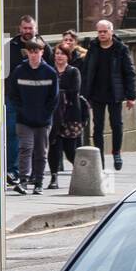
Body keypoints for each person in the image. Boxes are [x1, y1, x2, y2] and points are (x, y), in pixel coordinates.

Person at [83, 18, 136, 171]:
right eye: (99, 31)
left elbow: (130, 73)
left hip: (115, 93)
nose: (101, 34)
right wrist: (84, 95)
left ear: (111, 32)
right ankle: (99, 157)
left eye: (104, 31)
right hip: (96, 94)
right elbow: (86, 71)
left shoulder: (121, 49)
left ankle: (116, 153)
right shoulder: (93, 47)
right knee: (97, 127)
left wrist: (131, 96)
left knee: (117, 125)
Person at [10, 37, 58, 197]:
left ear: (42, 52)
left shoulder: (50, 73)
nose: (33, 55)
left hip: (43, 121)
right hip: (24, 120)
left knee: (41, 152)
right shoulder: (19, 71)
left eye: (36, 51)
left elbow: (54, 98)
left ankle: (38, 182)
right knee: (25, 148)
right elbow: (13, 94)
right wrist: (21, 110)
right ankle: (23, 181)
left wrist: (45, 114)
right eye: (31, 52)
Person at [4, 15, 36, 187]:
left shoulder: (41, 46)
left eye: (30, 28)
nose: (27, 31)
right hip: (14, 98)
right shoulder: (10, 46)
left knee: (34, 137)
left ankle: (32, 173)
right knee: (12, 134)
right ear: (20, 28)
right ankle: (12, 170)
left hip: (34, 100)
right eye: (25, 28)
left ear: (35, 29)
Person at [47, 45, 84, 190]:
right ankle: (54, 177)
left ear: (68, 56)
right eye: (57, 53)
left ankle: (84, 172)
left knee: (70, 150)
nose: (59, 56)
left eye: (62, 54)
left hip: (70, 116)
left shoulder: (73, 72)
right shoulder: (50, 71)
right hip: (53, 115)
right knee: (54, 147)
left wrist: (58, 93)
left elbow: (74, 91)